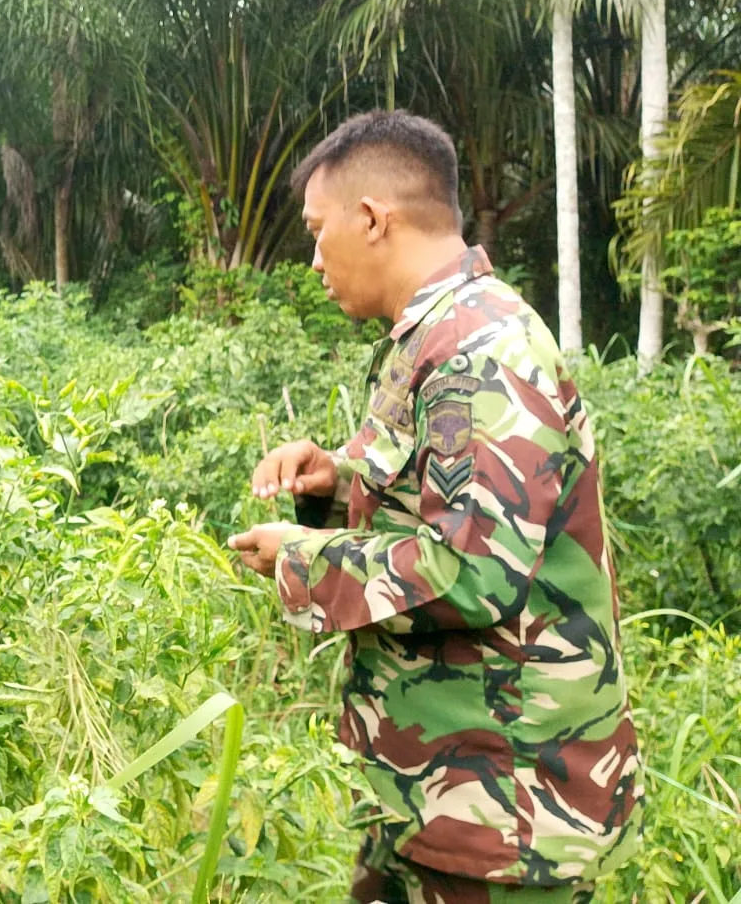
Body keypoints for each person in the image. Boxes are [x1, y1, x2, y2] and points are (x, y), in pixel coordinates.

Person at [227, 112, 641, 904]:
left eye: (317, 232)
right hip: (433, 794)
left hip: (506, 809)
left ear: (371, 218)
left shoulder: (480, 349)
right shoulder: (430, 337)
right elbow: (440, 501)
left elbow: (472, 571)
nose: (313, 260)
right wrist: (336, 483)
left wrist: (300, 557)